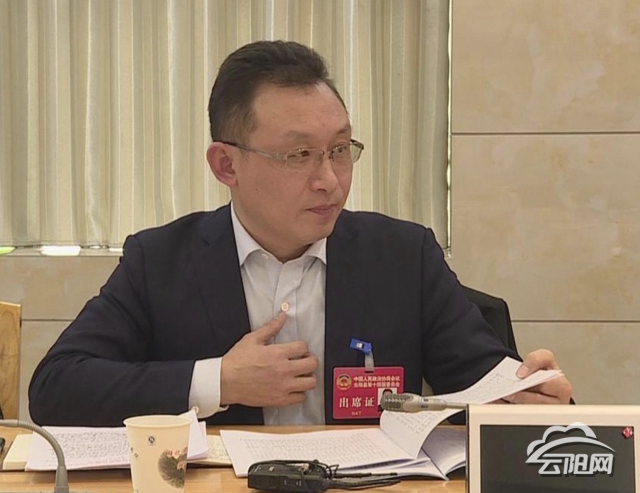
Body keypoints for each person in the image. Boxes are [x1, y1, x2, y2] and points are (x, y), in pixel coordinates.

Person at [28, 40, 572, 427]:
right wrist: (219, 381)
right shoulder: (161, 260)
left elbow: (488, 387)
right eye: (299, 155)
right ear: (226, 165)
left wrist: (535, 398)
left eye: (339, 149)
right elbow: (56, 388)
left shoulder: (404, 257)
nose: (330, 180)